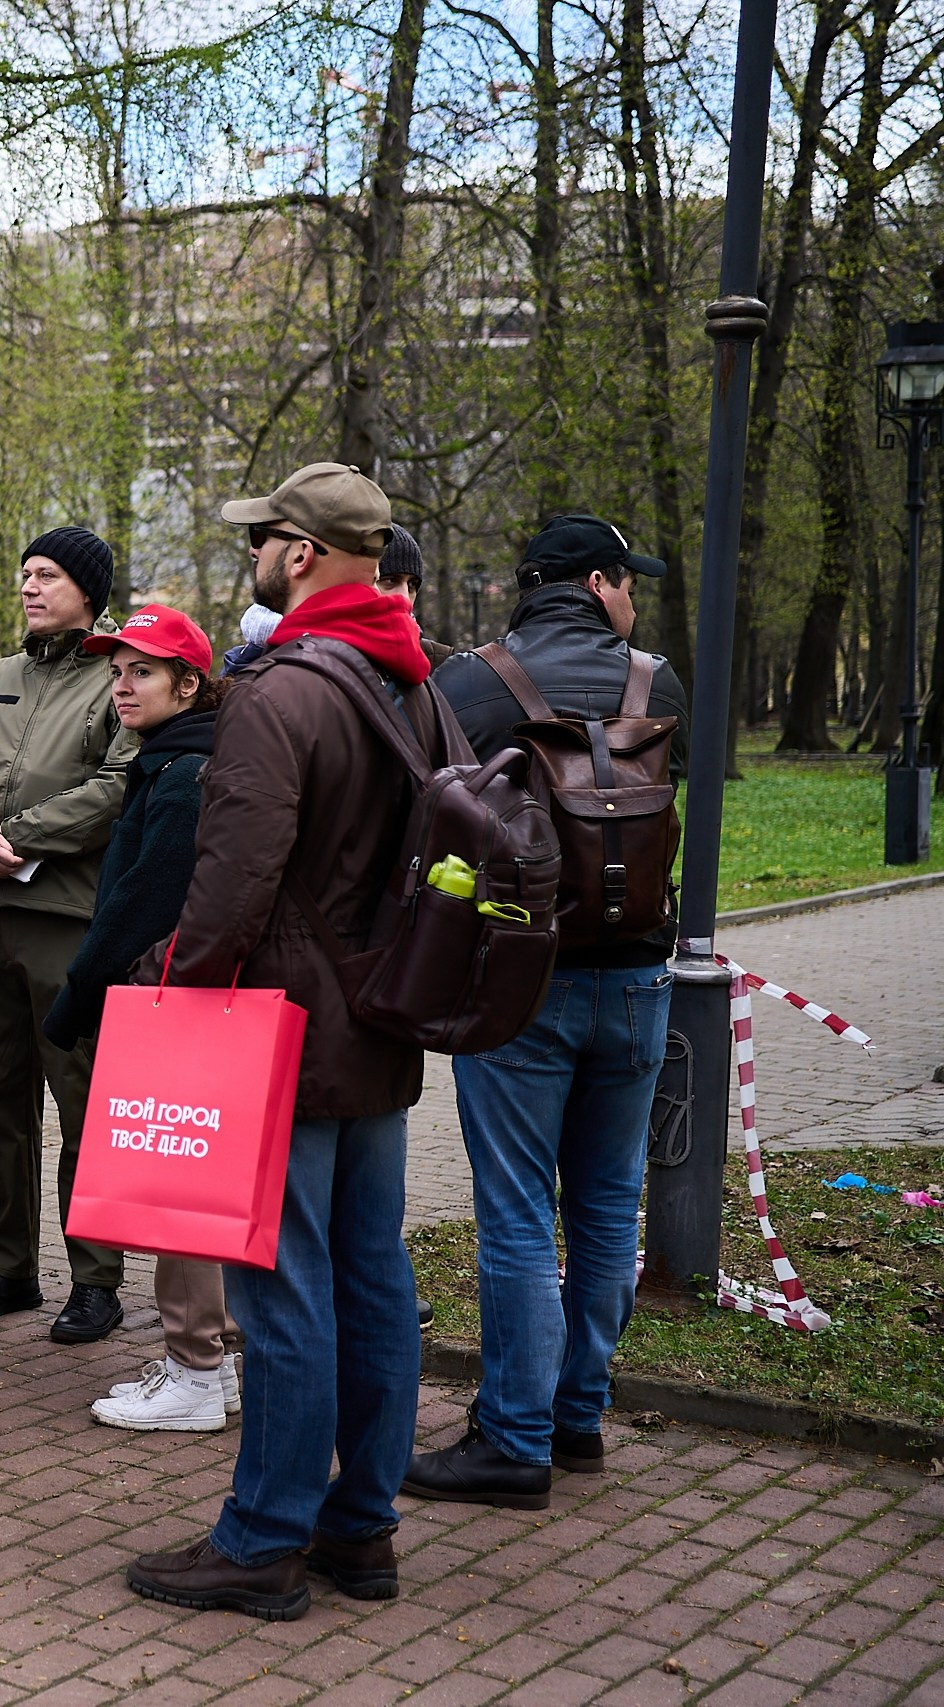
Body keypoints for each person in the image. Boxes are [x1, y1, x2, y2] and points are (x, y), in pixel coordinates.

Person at [125, 461, 428, 1620]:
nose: (251, 554)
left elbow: (232, 878)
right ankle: (362, 1530)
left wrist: (177, 987)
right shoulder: (415, 682)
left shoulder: (279, 691)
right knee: (373, 1278)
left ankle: (261, 1538)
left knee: (285, 1288)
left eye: (263, 539)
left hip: (282, 1037)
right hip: (379, 1020)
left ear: (299, 554)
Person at [406, 515, 688, 1508]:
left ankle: (511, 1444)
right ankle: (576, 1419)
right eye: (627, 583)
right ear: (596, 583)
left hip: (519, 980)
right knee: (609, 1204)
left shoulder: (469, 685)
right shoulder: (659, 684)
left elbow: (428, 809)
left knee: (519, 1212)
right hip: (643, 980)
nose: (634, 604)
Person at [0, 528, 137, 1342]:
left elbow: (118, 783)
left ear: (89, 590)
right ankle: (8, 1264)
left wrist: (23, 834)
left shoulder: (116, 676)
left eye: (47, 574)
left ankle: (96, 1279)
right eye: (24, 573)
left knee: (80, 1102)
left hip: (65, 920)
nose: (29, 586)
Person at [40, 606, 237, 1432]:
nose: (122, 685)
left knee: (176, 1178)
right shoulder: (169, 758)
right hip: (177, 991)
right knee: (190, 1177)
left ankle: (196, 1367)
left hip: (170, 997)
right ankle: (213, 1357)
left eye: (142, 671)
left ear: (188, 684)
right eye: (116, 671)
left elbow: (145, 898)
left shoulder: (184, 770)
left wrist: (79, 987)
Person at [375, 527, 456, 670]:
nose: (404, 597)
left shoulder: (439, 662)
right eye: (390, 581)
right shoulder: (333, 656)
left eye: (412, 585)